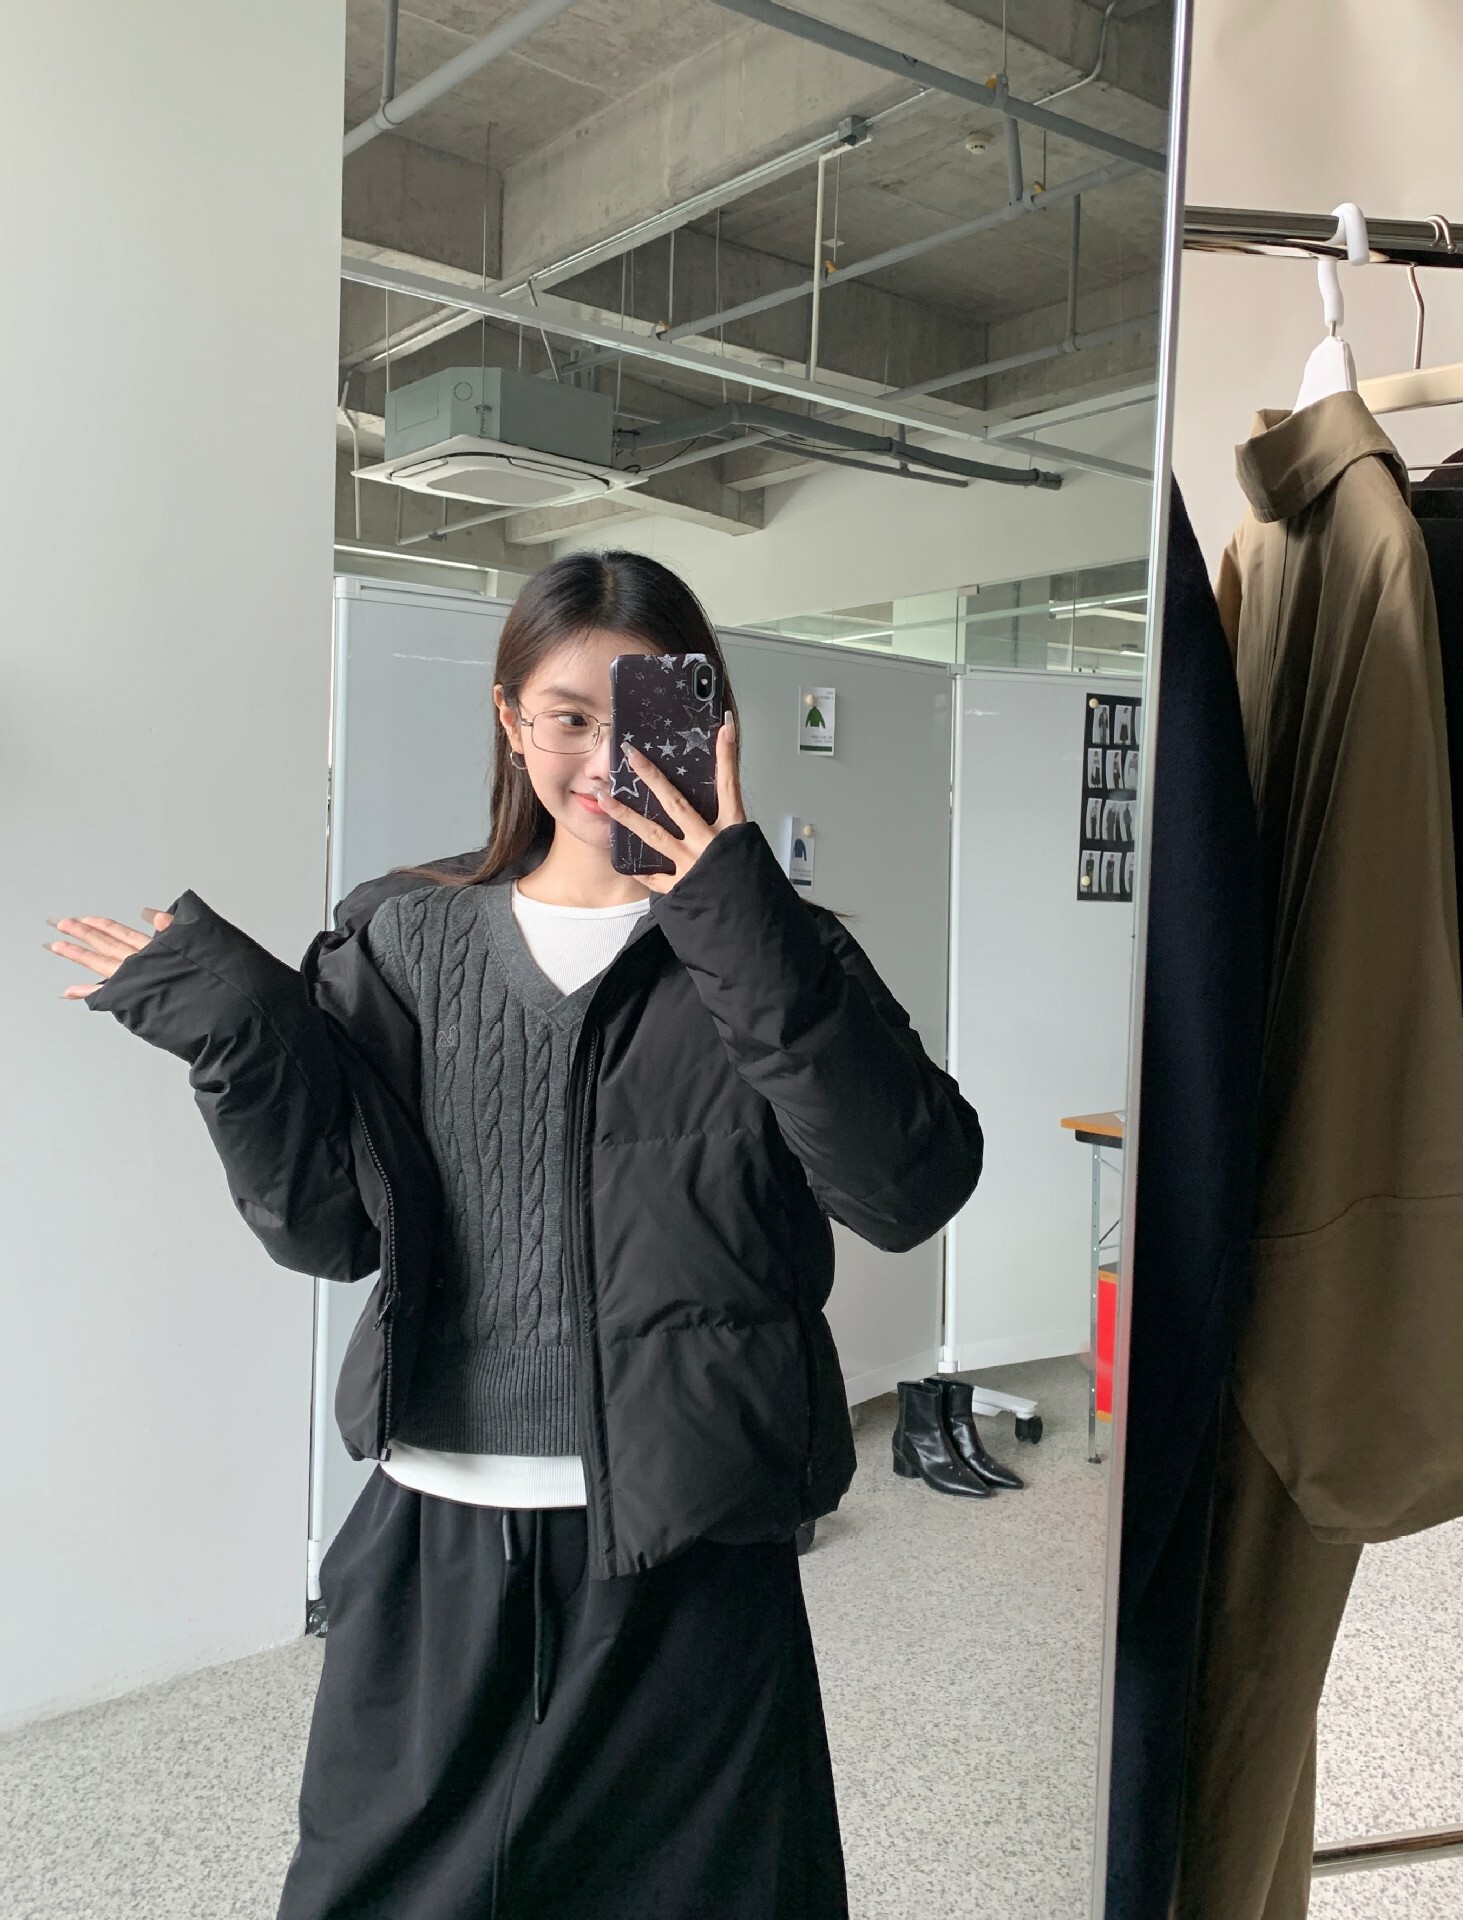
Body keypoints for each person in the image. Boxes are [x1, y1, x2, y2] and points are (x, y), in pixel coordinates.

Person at [46, 550, 984, 1920]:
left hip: (688, 1557)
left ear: (708, 720)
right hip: (436, 1537)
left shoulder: (776, 952)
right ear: (510, 721)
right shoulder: (405, 938)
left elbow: (909, 1189)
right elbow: (330, 1232)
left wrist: (728, 906)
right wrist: (242, 1034)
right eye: (568, 717)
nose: (605, 758)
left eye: (643, 715)